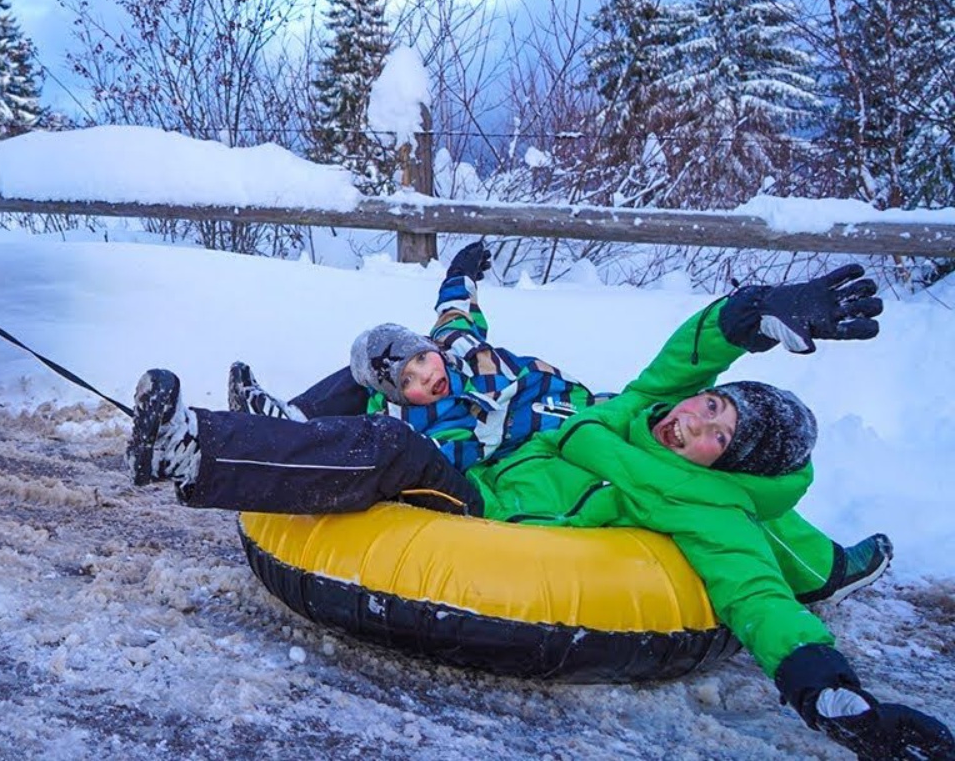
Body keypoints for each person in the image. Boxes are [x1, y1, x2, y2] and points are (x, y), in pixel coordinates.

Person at [126, 264, 955, 760]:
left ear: (727, 465)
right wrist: (751, 315)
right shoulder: (641, 408)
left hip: (493, 511)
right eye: (710, 405)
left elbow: (757, 595)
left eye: (715, 433)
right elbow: (687, 351)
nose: (690, 420)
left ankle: (194, 451)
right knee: (390, 375)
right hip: (495, 459)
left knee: (388, 447)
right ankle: (270, 429)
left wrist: (834, 697)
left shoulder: (707, 507)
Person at [230, 241, 889, 604]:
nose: (426, 378)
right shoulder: (428, 426)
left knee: (722, 459)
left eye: (423, 365)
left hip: (587, 407)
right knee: (359, 372)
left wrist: (459, 276)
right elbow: (414, 463)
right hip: (543, 457)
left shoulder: (453, 349)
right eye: (409, 385)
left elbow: (455, 318)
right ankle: (288, 425)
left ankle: (823, 565)